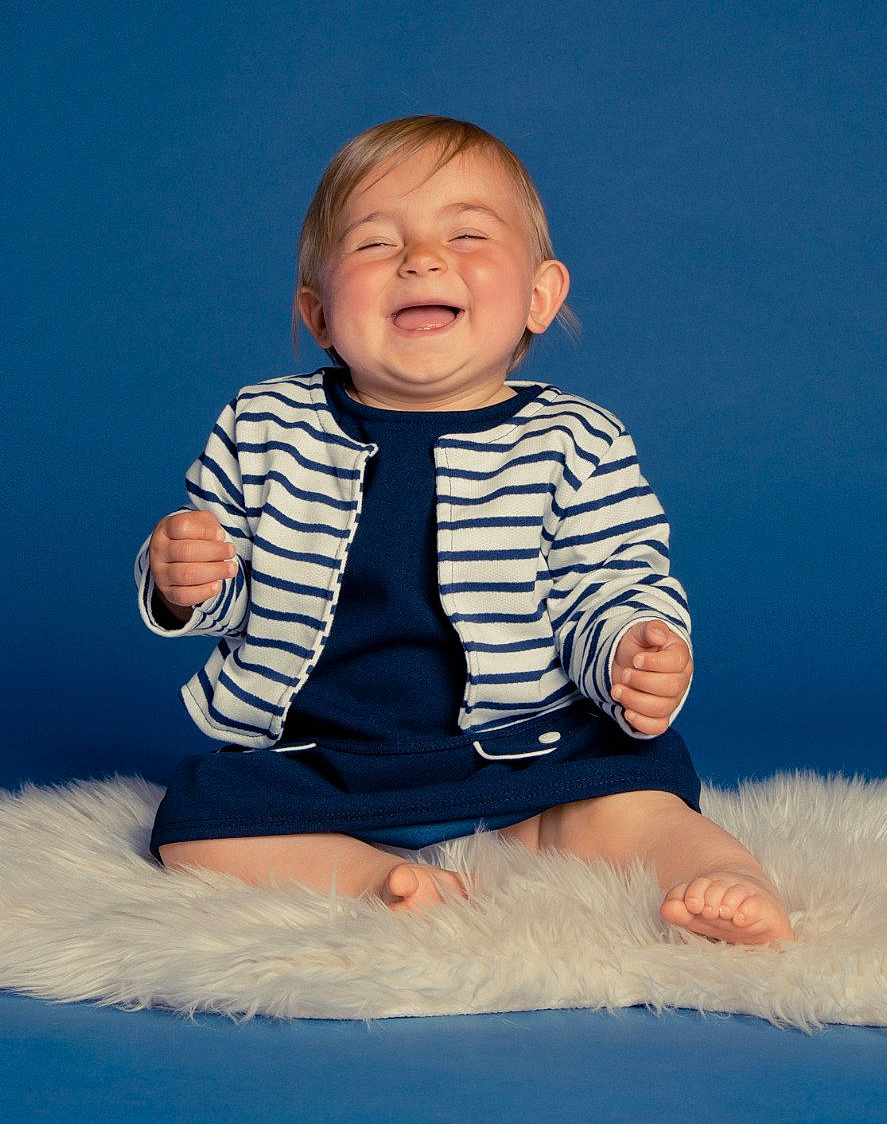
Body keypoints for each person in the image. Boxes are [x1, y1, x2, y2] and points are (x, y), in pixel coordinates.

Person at [136, 115, 792, 947]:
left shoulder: (574, 438)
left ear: (540, 296)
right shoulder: (263, 423)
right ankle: (378, 874)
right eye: (375, 244)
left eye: (468, 233)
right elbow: (227, 580)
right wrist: (184, 576)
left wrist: (633, 646)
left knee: (634, 797)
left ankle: (724, 877)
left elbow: (612, 579)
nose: (421, 259)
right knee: (196, 825)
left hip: (527, 755)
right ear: (320, 313)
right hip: (328, 759)